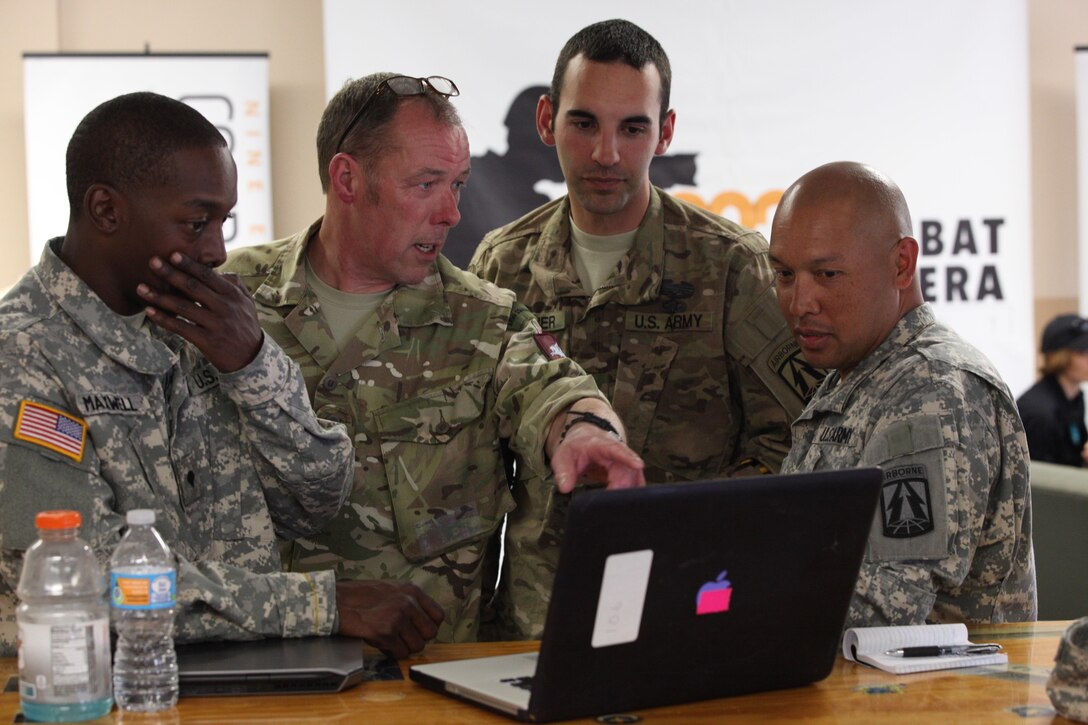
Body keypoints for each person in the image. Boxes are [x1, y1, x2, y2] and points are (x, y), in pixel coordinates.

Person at [0, 91, 441, 660]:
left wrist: (252, 364)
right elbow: (82, 580)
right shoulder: (23, 353)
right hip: (103, 694)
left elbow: (316, 502)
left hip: (244, 683)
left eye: (224, 222)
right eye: (196, 222)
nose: (215, 250)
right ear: (107, 211)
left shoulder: (207, 327)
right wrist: (315, 606)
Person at [221, 72, 645, 646]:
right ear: (347, 178)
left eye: (459, 185)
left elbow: (554, 389)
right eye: (425, 185)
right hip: (265, 680)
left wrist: (586, 432)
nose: (450, 213)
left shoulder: (483, 320)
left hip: (427, 685)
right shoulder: (230, 299)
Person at [468, 19, 820, 638]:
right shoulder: (502, 264)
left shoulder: (731, 264)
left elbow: (792, 442)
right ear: (547, 120)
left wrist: (683, 519)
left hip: (687, 610)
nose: (607, 154)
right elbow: (474, 454)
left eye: (633, 128)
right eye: (585, 123)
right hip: (533, 625)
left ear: (666, 133)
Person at [770, 160, 1037, 626]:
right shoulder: (856, 371)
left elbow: (883, 611)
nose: (800, 303)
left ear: (902, 264)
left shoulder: (932, 389)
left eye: (827, 275)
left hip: (930, 697)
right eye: (785, 275)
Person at [1017, 313, 1088, 467]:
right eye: (1082, 352)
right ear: (1060, 357)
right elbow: (1043, 484)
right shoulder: (1040, 413)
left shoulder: (1074, 398)